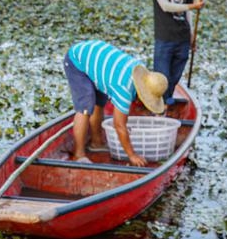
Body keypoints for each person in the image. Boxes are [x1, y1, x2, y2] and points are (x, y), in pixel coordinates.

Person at [63, 39, 168, 167]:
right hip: (77, 60)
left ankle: (97, 143)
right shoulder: (124, 89)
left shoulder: (141, 72)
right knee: (85, 107)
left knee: (99, 102)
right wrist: (132, 155)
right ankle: (78, 154)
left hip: (98, 62)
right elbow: (119, 125)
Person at [150, 0, 206, 105]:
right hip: (165, 37)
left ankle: (168, 101)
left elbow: (188, 12)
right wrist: (192, 6)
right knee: (162, 77)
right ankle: (158, 104)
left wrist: (192, 36)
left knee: (175, 76)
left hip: (182, 37)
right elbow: (166, 6)